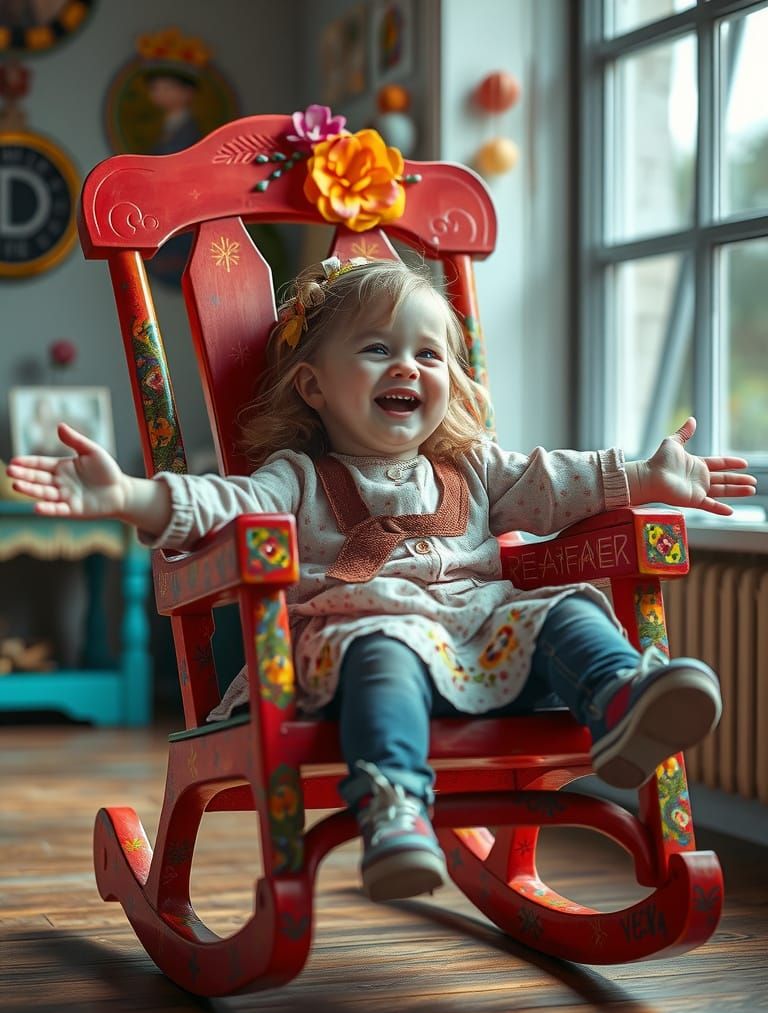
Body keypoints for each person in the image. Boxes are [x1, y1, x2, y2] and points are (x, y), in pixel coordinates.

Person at [7, 257, 756, 904]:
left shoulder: (473, 469)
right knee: (385, 643)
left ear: (451, 382)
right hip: (357, 651)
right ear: (313, 387)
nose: (408, 367)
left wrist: (645, 476)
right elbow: (220, 503)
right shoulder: (296, 478)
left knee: (564, 608)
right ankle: (393, 805)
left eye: (430, 355)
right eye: (377, 349)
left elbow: (551, 481)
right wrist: (130, 496)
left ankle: (622, 700)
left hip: (485, 644)